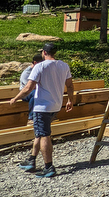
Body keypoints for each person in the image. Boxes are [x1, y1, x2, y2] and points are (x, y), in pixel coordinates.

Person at [10, 43, 73, 178]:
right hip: (55, 105)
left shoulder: (40, 66)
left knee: (44, 134)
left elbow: (28, 87)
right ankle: (32, 160)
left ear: (44, 52)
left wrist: (15, 98)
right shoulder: (63, 65)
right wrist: (70, 100)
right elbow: (70, 85)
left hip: (42, 107)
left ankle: (48, 166)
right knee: (39, 133)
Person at [19, 53, 44, 121]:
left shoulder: (41, 70)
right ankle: (31, 117)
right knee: (36, 93)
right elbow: (29, 88)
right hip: (25, 94)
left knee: (35, 97)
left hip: (36, 93)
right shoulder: (27, 73)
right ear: (35, 63)